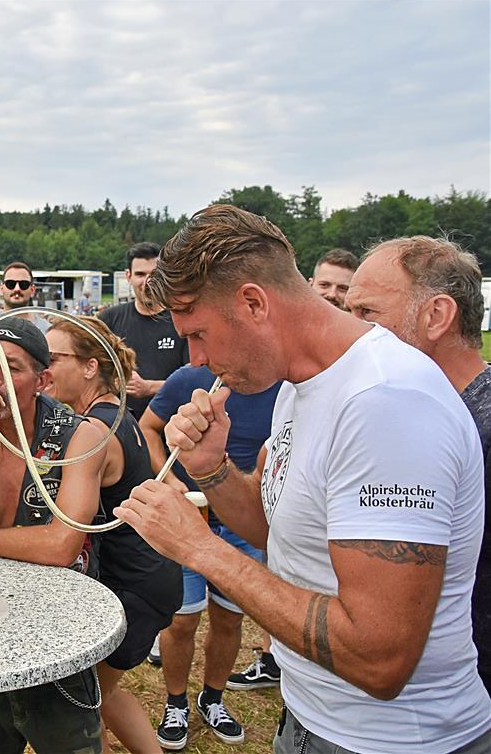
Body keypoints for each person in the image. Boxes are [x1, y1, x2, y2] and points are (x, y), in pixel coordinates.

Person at [116, 204, 491, 753]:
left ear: (253, 303)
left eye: (198, 334)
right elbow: (285, 536)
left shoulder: (385, 402)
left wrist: (202, 549)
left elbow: (380, 658)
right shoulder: (302, 384)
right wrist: (213, 469)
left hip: (394, 741)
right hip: (311, 714)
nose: (195, 359)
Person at [0, 317, 108, 753]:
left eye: (11, 367)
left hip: (56, 629)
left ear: (43, 379)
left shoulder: (81, 435)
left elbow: (61, 545)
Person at [346, 235, 490, 694]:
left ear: (436, 316)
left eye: (367, 314)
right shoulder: (428, 406)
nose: (349, 332)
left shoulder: (470, 421)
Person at [44, 316, 181, 754]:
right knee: (105, 696)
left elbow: (61, 536)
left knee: (80, 707)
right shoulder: (122, 413)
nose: (45, 370)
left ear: (89, 367)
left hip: (133, 585)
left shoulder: (94, 430)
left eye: (54, 359)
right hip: (154, 577)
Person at [138, 365, 280, 749]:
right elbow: (148, 427)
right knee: (181, 622)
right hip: (191, 515)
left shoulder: (284, 386)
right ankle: (176, 702)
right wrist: (168, 478)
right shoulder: (188, 378)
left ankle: (212, 699)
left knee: (229, 620)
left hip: (246, 526)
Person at [98, 243, 189, 420]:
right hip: (121, 427)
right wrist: (112, 382)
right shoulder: (109, 320)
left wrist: (149, 387)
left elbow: (194, 382)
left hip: (170, 427)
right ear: (128, 276)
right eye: (140, 274)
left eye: (154, 274)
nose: (148, 281)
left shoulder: (181, 319)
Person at [0, 261, 48, 330]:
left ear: (32, 290)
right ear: (1, 289)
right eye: (10, 284)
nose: (17, 289)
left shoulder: (48, 330)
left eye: (23, 284)